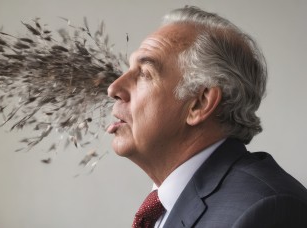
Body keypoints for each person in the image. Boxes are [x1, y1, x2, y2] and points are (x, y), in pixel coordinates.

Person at [106, 6, 307, 228]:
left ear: (199, 103)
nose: (114, 88)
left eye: (144, 73)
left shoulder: (267, 211)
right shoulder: (164, 205)